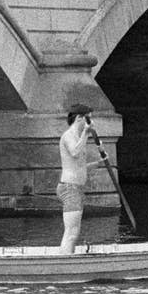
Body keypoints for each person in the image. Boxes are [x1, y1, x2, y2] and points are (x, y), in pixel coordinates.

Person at [58, 103, 107, 254]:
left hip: (76, 188)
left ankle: (67, 260)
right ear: (79, 118)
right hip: (69, 188)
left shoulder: (77, 137)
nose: (92, 123)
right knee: (71, 233)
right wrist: (86, 133)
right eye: (89, 120)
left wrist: (99, 163)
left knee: (74, 233)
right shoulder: (68, 136)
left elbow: (78, 166)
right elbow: (74, 153)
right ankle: (64, 266)